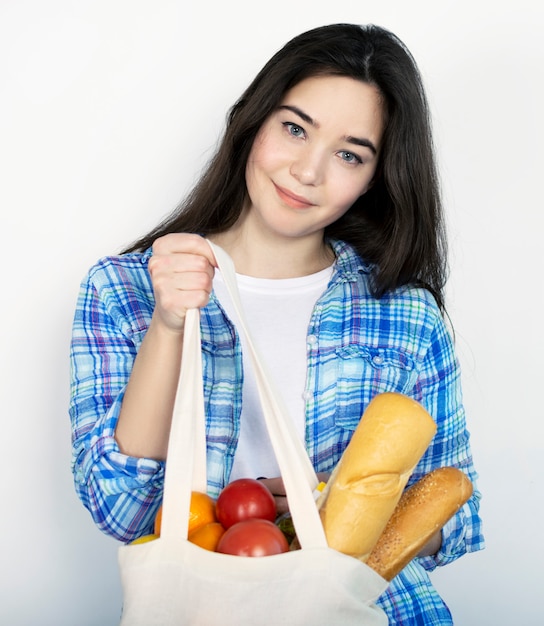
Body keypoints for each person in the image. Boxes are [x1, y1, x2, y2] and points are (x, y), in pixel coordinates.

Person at [69, 22, 484, 625]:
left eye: (348, 154)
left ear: (375, 177)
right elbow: (124, 508)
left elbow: (456, 517)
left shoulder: (405, 315)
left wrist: (328, 510)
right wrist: (168, 325)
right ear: (252, 123)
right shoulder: (123, 290)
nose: (307, 171)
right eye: (294, 128)